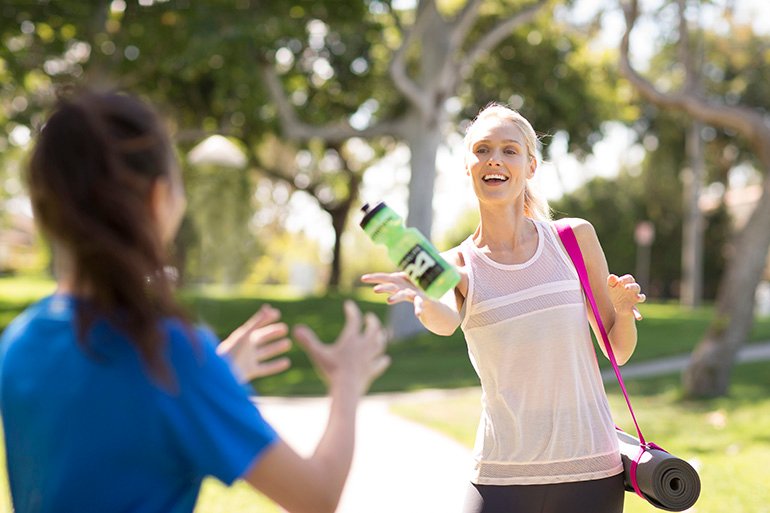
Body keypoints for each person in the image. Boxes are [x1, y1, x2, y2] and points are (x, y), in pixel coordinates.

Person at [0, 90, 390, 513]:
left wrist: (214, 377)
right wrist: (347, 381)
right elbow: (316, 497)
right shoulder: (172, 356)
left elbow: (107, 430)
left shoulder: (19, 343)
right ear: (157, 198)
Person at [362, 103, 645, 513]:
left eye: (509, 150)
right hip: (502, 475)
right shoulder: (453, 265)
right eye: (482, 149)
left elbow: (616, 349)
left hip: (592, 471)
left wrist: (621, 310)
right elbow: (443, 321)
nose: (494, 159)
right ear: (468, 166)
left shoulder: (573, 240)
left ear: (531, 165)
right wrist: (423, 300)